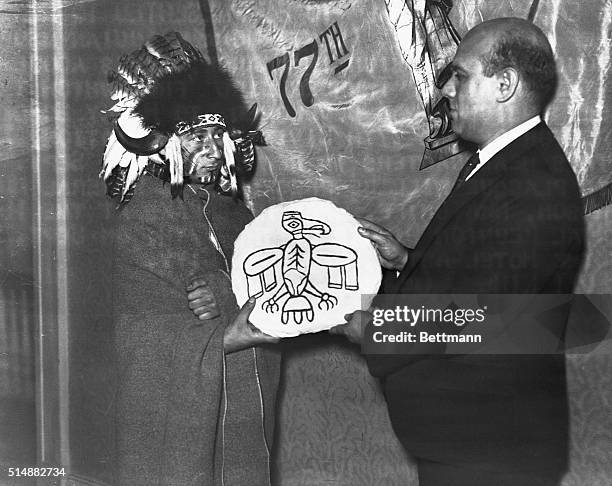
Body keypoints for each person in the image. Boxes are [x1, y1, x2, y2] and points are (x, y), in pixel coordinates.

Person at [331, 17, 585, 486]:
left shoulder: (533, 184)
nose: (446, 90)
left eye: (461, 76)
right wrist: (407, 258)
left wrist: (376, 327)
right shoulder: (505, 161)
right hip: (475, 440)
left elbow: (486, 318)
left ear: (505, 84)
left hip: (492, 451)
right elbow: (489, 275)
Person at [100, 33, 280, 485]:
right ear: (162, 143)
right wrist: (222, 338)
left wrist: (227, 291)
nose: (213, 151)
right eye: (196, 137)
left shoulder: (236, 213)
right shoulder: (141, 217)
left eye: (219, 137)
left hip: (245, 411)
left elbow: (275, 294)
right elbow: (131, 339)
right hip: (176, 432)